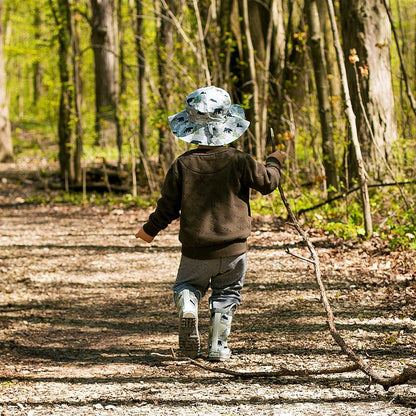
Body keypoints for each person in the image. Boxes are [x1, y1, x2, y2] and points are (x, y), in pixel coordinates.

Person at [135, 86, 283, 361]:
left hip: (196, 250)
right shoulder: (240, 160)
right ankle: (217, 347)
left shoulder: (182, 165)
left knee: (186, 286)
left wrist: (149, 230)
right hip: (233, 250)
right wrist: (274, 161)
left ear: (189, 127)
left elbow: (168, 206)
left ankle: (190, 305)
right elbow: (269, 182)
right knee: (227, 293)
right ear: (228, 124)